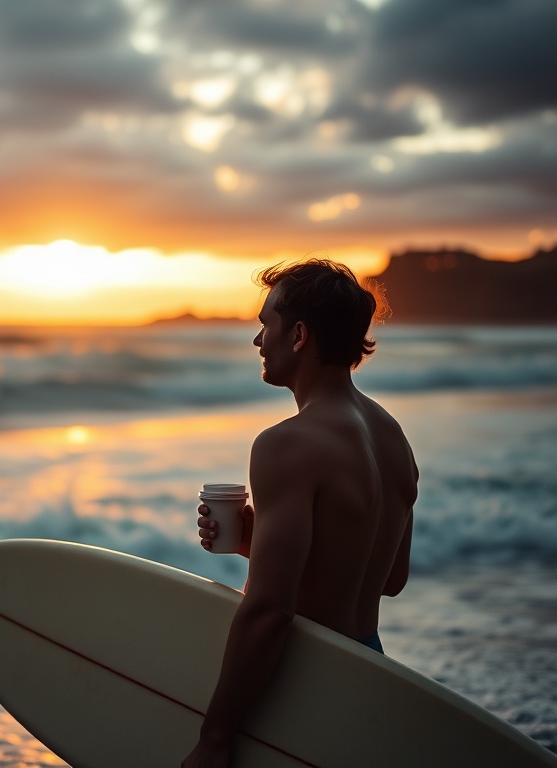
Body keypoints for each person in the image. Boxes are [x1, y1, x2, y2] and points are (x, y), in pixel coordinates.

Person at [181, 259, 418, 768]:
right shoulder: (394, 439)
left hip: (305, 684)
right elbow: (388, 579)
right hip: (366, 669)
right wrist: (255, 543)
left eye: (266, 324)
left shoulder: (286, 445)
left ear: (299, 335)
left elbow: (271, 611)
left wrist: (214, 738)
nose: (257, 340)